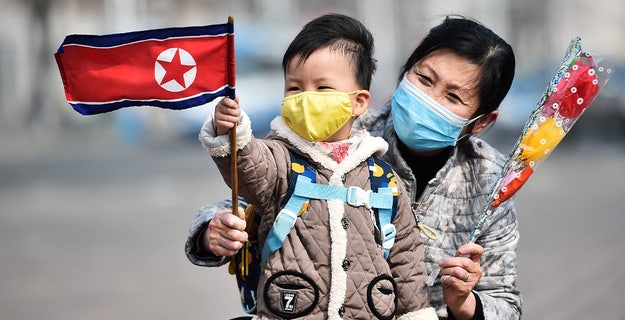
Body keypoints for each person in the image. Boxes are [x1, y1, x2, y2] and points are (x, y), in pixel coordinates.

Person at [187, 15, 522, 319]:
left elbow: (506, 303)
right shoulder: (341, 132)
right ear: (406, 71)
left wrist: (464, 304)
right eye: (424, 78)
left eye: (453, 97)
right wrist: (211, 232)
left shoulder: (490, 179)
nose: (430, 98)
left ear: (481, 122)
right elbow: (259, 188)